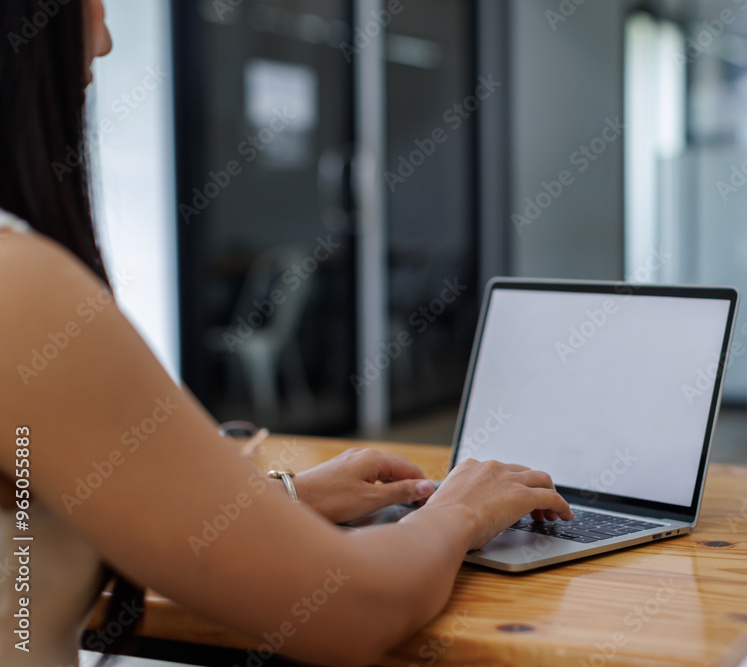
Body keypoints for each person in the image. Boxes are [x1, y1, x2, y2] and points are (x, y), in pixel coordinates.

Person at [0, 1, 573, 665]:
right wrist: (460, 511)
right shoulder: (19, 287)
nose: (102, 37)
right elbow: (350, 607)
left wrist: (284, 501)